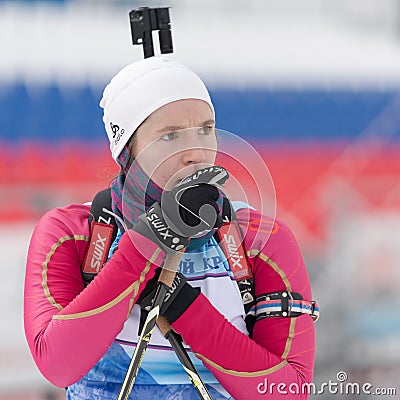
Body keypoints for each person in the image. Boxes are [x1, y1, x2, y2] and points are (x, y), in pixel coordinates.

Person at [24, 56, 319, 399]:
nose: (195, 151)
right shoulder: (73, 233)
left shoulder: (260, 239)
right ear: (127, 150)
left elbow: (289, 391)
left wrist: (181, 304)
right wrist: (145, 246)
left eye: (206, 129)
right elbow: (57, 364)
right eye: (170, 135)